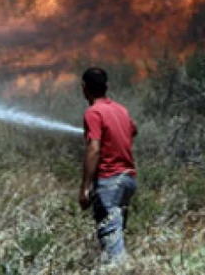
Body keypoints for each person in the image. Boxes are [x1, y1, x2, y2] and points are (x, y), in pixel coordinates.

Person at [79, 67, 138, 265]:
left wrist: (85, 187)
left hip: (109, 182)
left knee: (112, 238)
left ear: (84, 88)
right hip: (128, 180)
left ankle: (119, 269)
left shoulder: (93, 113)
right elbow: (133, 130)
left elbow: (94, 148)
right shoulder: (121, 109)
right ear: (107, 86)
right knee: (116, 233)